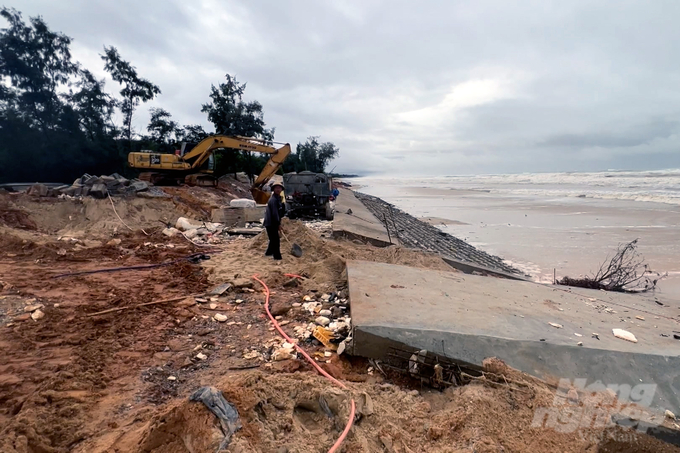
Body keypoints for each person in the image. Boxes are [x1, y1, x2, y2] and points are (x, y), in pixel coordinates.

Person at [263, 183, 286, 260]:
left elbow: (280, 212)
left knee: (273, 239)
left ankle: (269, 252)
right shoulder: (273, 200)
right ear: (273, 189)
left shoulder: (278, 199)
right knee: (275, 240)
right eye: (276, 188)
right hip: (270, 222)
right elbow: (274, 213)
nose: (278, 189)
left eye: (279, 188)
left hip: (273, 222)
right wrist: (278, 224)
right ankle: (277, 257)